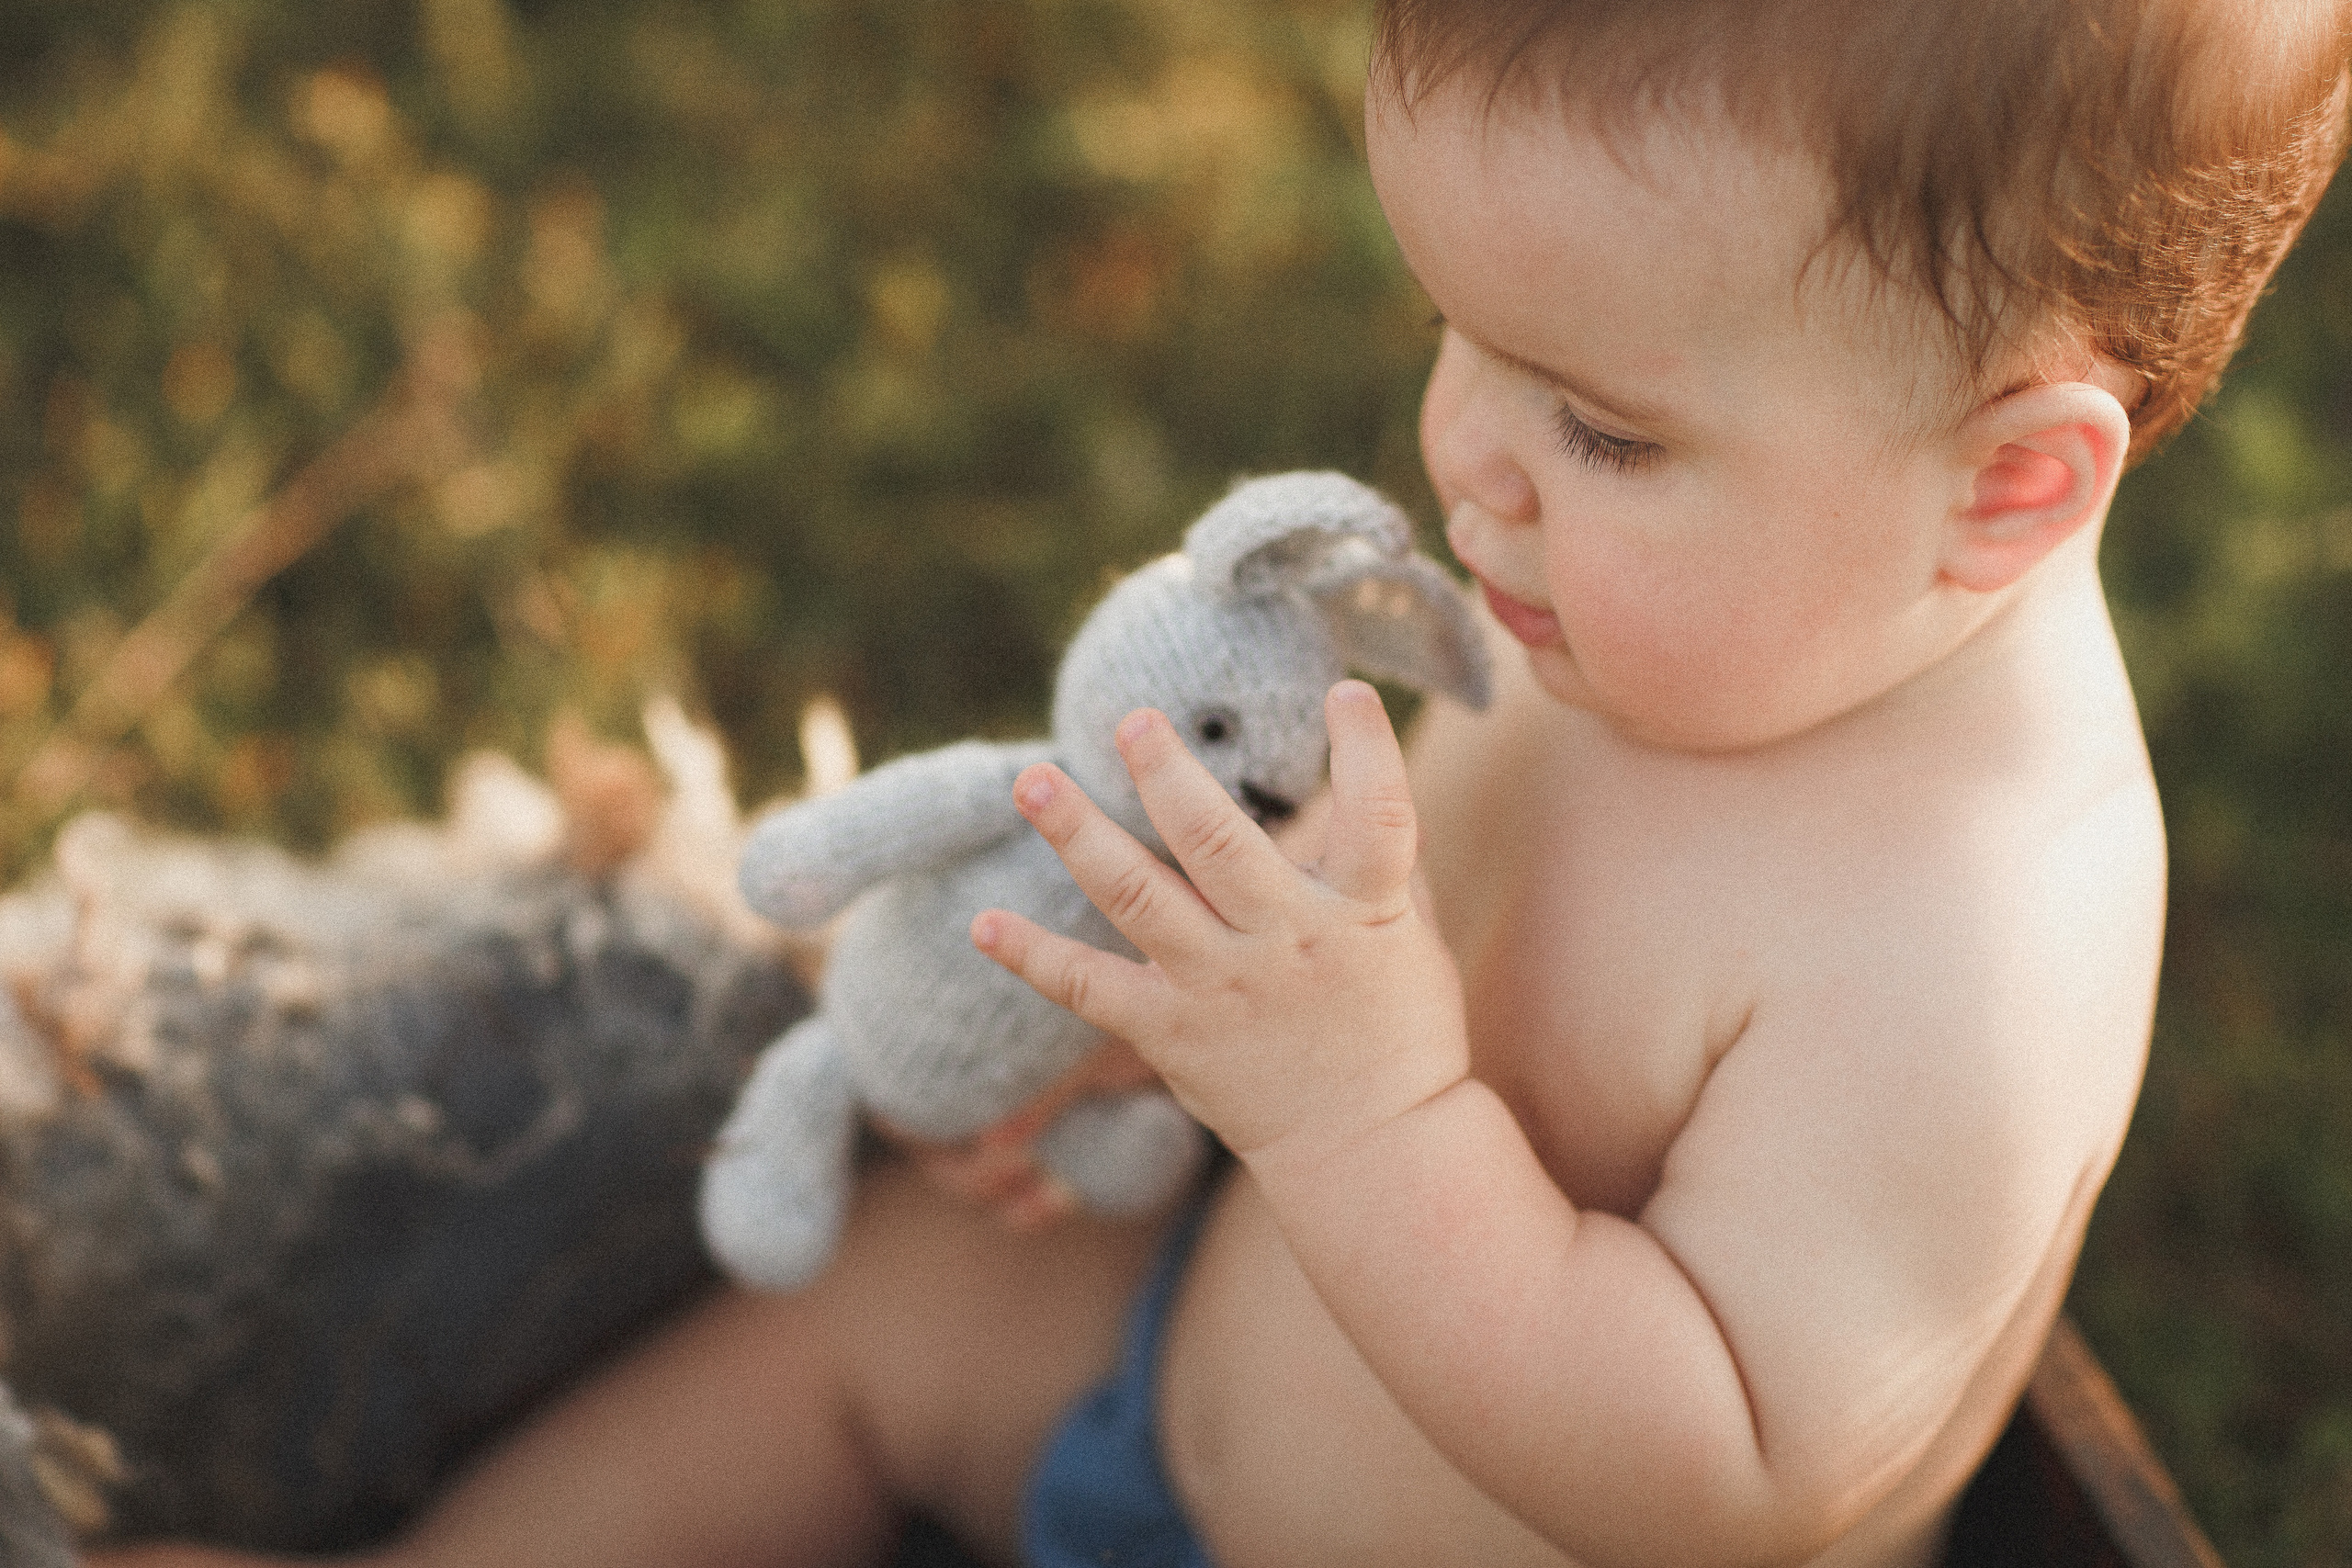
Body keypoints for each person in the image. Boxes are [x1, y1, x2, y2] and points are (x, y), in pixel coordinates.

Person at [91, 2, 2351, 1565]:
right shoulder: (1685, 594)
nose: (1468, 452)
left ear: (2007, 489)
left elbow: (1730, 1468)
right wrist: (1149, 1052)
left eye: (1602, 422)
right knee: (850, 1316)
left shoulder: (1964, 923)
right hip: (1190, 1379)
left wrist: (1357, 1119)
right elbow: (1387, 929)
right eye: (1464, 330)